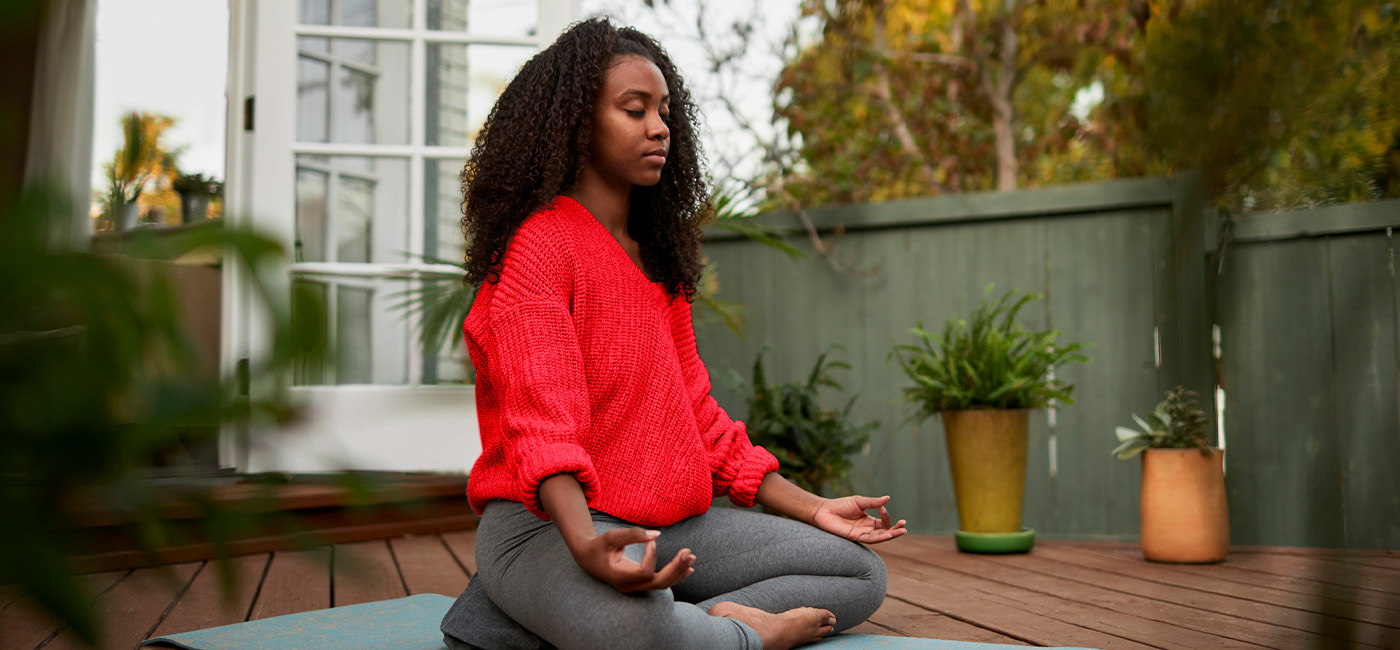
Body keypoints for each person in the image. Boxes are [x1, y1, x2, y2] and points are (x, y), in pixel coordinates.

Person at [439, 17, 906, 650]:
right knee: (635, 625)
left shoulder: (658, 262)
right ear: (577, 125)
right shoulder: (539, 247)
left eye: (664, 110)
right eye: (635, 110)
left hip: (670, 525)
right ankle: (727, 634)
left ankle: (592, 622)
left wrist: (816, 509)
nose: (660, 127)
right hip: (547, 528)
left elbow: (702, 422)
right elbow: (541, 427)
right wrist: (588, 547)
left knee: (856, 572)